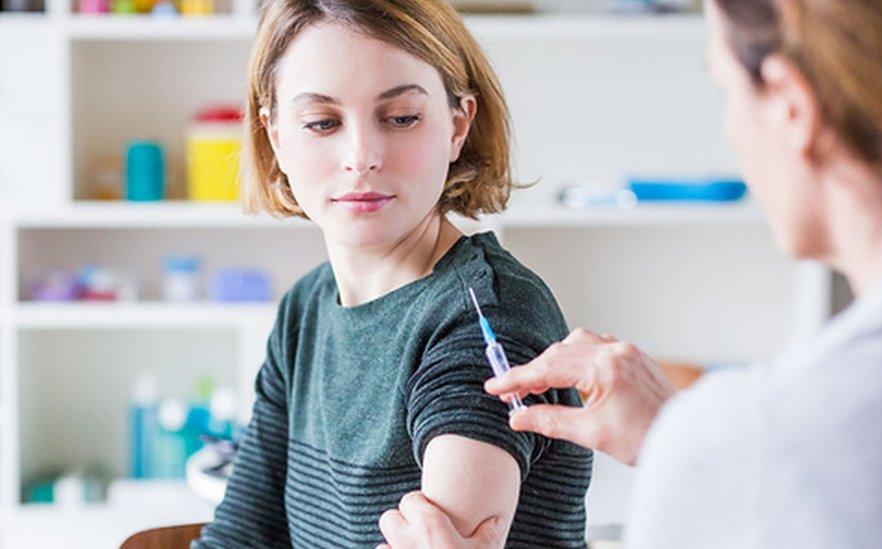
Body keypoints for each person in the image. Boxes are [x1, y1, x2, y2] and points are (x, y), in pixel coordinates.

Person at [378, 0, 882, 547]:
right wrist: (684, 434)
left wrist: (706, 451)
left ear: (792, 108)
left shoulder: (777, 439)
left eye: (725, 93)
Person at [192, 1, 592, 547]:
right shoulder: (307, 307)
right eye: (322, 123)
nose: (361, 156)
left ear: (458, 125)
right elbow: (241, 534)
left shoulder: (486, 319)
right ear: (276, 136)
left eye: (401, 117)